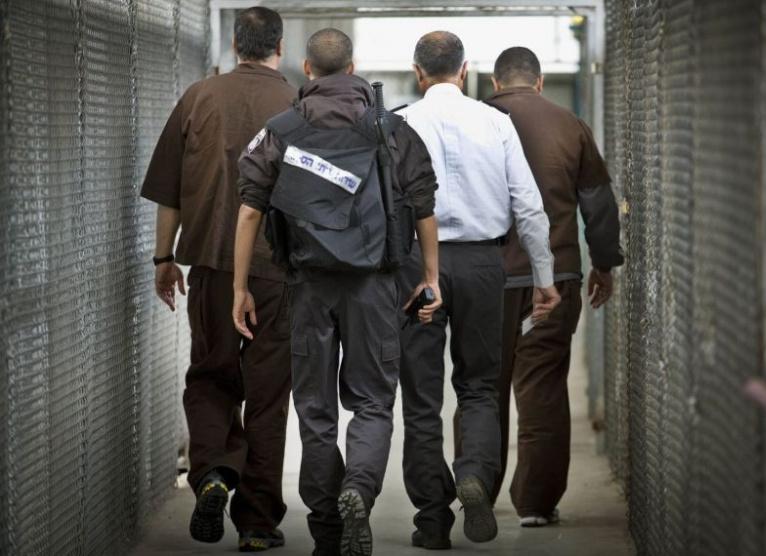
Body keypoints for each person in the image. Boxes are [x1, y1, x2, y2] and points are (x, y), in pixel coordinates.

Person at [233, 28, 441, 556]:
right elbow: (423, 206)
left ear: (307, 70)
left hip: (307, 286)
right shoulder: (392, 130)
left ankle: (327, 527)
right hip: (373, 285)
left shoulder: (281, 130)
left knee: (315, 409)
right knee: (373, 402)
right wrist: (430, 277)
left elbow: (251, 209)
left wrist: (240, 287)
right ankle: (359, 491)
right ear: (353, 67)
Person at [395, 31, 560, 550]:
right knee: (480, 388)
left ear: (418, 73)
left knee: (421, 397)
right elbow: (528, 206)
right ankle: (474, 476)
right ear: (464, 71)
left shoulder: (399, 123)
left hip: (417, 267)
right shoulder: (496, 122)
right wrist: (544, 277)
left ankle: (431, 520)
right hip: (484, 265)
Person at [140, 7, 295, 552]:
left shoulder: (198, 97)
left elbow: (169, 191)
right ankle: (257, 523)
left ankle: (211, 474)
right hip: (277, 273)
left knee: (210, 377)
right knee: (268, 395)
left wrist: (164, 258)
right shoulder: (297, 105)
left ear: (235, 45)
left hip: (209, 266)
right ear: (279, 47)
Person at [484, 46, 624, 526]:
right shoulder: (570, 125)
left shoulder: (476, 120)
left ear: (495, 83)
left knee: (481, 386)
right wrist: (604, 264)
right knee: (541, 386)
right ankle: (536, 504)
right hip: (555, 278)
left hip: (487, 280)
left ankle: (477, 483)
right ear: (540, 82)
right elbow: (598, 205)